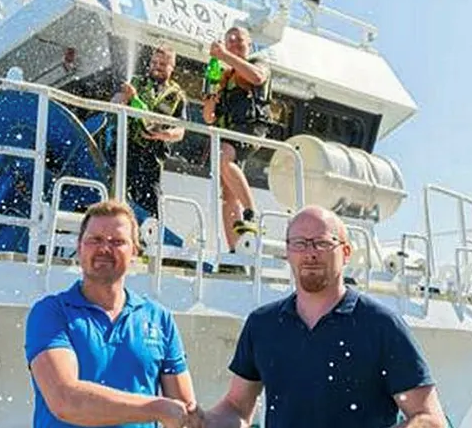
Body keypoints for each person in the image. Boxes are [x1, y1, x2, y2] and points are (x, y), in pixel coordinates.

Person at [197, 205, 447, 428]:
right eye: (300, 243)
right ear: (287, 251)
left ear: (346, 252)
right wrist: (201, 421)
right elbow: (237, 407)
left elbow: (429, 418)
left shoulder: (381, 325)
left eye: (322, 243)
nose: (310, 253)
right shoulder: (262, 325)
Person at [24, 200, 198, 428]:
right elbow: (65, 400)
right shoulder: (52, 313)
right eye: (95, 240)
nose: (104, 249)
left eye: (117, 242)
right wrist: (156, 408)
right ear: (79, 246)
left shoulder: (159, 319)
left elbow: (185, 413)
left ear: (135, 251)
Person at [201, 26, 270, 253]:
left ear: (249, 43)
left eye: (238, 40)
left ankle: (251, 213)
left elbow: (257, 77)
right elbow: (209, 117)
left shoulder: (259, 62)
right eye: (229, 40)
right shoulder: (223, 77)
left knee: (222, 157)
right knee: (228, 195)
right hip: (228, 133)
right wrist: (210, 97)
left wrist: (223, 55)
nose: (233, 43)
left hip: (249, 130)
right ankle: (235, 251)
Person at [108, 45, 188, 219]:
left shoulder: (178, 96)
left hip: (151, 156)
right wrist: (122, 99)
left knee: (150, 203)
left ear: (172, 67)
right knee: (115, 195)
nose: (157, 66)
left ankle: (147, 236)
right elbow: (114, 103)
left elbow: (181, 131)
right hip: (125, 148)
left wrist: (163, 135)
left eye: (163, 64)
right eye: (154, 62)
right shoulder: (134, 82)